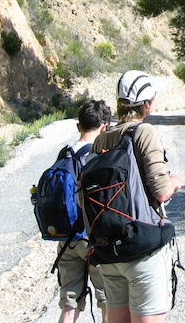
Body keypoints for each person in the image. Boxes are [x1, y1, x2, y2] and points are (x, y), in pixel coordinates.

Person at [90, 70, 183, 323]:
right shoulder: (144, 132)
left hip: (109, 251)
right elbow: (161, 192)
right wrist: (175, 182)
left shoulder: (102, 139)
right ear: (146, 105)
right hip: (142, 249)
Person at [57, 99, 112, 323]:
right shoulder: (100, 154)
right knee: (108, 301)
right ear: (105, 127)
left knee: (70, 305)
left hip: (66, 238)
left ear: (78, 126)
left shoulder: (65, 153)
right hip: (92, 238)